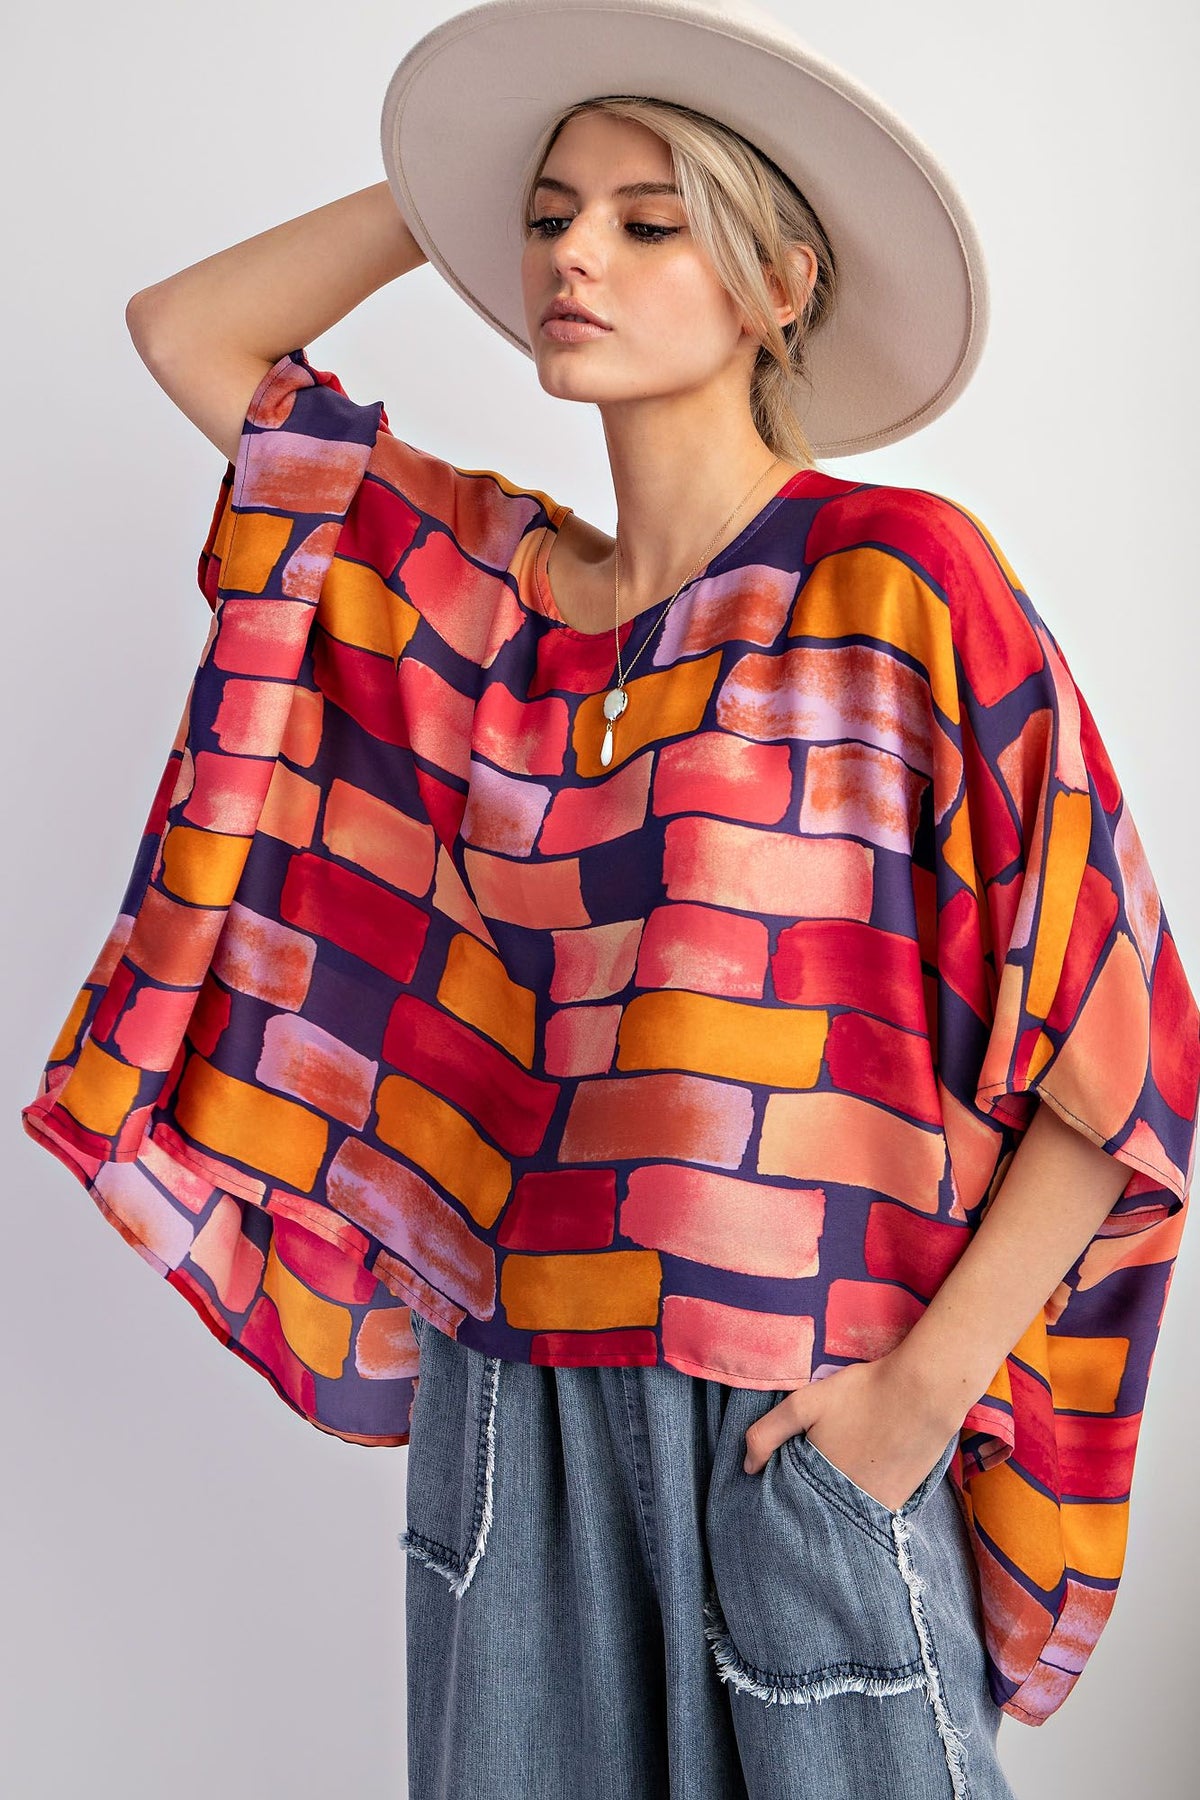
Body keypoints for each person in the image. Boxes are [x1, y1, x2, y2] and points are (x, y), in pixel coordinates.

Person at [21, 3, 1198, 1796]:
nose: (576, 253)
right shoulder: (478, 600)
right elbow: (191, 332)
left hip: (797, 1411)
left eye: (651, 224)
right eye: (548, 214)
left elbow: (1127, 1051)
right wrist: (447, 187)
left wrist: (913, 1405)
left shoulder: (895, 586)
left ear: (779, 285)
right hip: (511, 1422)